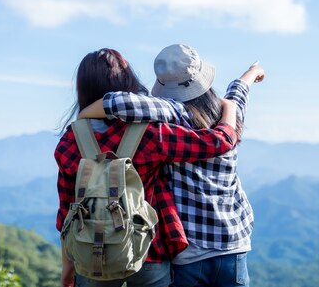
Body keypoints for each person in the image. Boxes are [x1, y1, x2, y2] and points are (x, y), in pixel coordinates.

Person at [79, 44, 265, 287]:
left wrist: (83, 116)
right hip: (234, 245)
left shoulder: (172, 114)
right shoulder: (230, 113)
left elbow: (116, 102)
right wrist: (251, 74)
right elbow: (238, 92)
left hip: (189, 252)